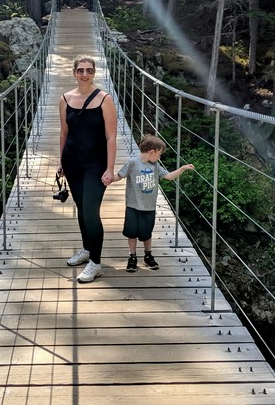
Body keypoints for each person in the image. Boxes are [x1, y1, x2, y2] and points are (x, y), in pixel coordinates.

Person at [58, 55, 117, 283]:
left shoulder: (105, 99)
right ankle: (86, 249)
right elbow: (64, 132)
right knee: (81, 208)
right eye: (80, 70)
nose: (84, 74)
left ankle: (96, 263)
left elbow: (111, 137)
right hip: (72, 161)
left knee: (91, 210)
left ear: (94, 73)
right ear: (74, 73)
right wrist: (60, 162)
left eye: (89, 70)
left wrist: (110, 168)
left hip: (96, 164)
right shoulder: (65, 99)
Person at [111, 134, 194, 272]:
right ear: (151, 152)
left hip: (149, 207)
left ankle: (148, 255)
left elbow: (168, 176)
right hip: (133, 205)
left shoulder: (155, 165)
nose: (160, 157)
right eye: (159, 154)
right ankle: (132, 256)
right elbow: (119, 176)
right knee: (132, 233)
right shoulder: (132, 163)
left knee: (146, 233)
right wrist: (107, 179)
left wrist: (183, 168)